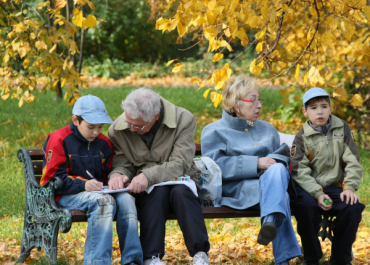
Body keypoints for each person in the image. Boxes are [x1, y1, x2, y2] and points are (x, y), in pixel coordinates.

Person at [201, 75, 302, 265]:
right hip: (238, 191)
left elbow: (280, 157)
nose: (259, 105)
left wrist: (271, 167)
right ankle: (282, 257)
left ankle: (270, 222)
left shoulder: (268, 129)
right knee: (282, 195)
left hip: (270, 186)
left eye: (259, 99)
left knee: (277, 172)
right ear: (236, 105)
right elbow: (215, 167)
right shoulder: (213, 131)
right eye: (253, 100)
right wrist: (256, 163)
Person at [108, 88, 210, 265]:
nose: (131, 128)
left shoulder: (183, 119)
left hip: (181, 178)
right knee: (156, 193)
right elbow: (122, 163)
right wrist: (118, 174)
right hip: (148, 188)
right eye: (128, 121)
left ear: (155, 116)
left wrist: (148, 175)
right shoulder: (118, 129)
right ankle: (151, 258)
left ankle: (200, 254)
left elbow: (181, 163)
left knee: (180, 193)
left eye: (137, 126)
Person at [41, 94, 143, 265]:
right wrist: (83, 184)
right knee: (103, 202)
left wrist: (116, 178)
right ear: (75, 120)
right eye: (91, 127)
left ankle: (132, 260)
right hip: (63, 196)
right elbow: (52, 180)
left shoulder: (104, 143)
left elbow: (108, 172)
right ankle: (97, 262)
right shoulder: (59, 139)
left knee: (126, 199)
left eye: (100, 127)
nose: (96, 132)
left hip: (97, 193)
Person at [290, 87, 364, 265]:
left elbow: (352, 161)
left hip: (335, 188)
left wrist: (350, 188)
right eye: (314, 108)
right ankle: (312, 256)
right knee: (305, 207)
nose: (320, 111)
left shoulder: (342, 129)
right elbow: (299, 170)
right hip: (308, 190)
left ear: (330, 108)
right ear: (305, 111)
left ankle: (340, 258)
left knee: (352, 207)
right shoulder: (301, 137)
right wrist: (318, 193)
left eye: (324, 106)